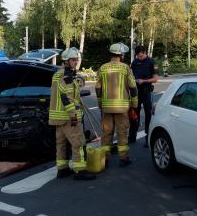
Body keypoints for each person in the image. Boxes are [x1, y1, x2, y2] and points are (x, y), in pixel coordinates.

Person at [49, 47, 95, 180]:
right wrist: (73, 115)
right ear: (66, 61)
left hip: (58, 117)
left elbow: (65, 92)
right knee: (78, 142)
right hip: (69, 117)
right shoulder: (67, 76)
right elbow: (67, 98)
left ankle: (62, 169)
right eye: (73, 60)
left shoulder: (58, 74)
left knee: (61, 143)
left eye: (76, 59)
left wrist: (78, 79)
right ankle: (80, 171)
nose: (76, 62)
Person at [96, 43, 139, 166]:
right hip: (122, 108)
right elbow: (133, 88)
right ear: (121, 55)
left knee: (106, 134)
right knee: (122, 133)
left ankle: (105, 159)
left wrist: (100, 104)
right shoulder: (125, 68)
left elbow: (98, 88)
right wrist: (134, 105)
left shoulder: (102, 68)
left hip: (106, 108)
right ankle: (123, 158)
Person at [129, 45, 158, 147]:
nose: (139, 58)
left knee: (148, 114)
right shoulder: (135, 62)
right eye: (138, 56)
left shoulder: (151, 62)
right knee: (134, 114)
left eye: (141, 56)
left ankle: (147, 138)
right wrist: (133, 80)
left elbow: (155, 79)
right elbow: (131, 74)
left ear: (145, 53)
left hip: (146, 91)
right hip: (136, 91)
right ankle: (132, 136)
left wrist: (144, 81)